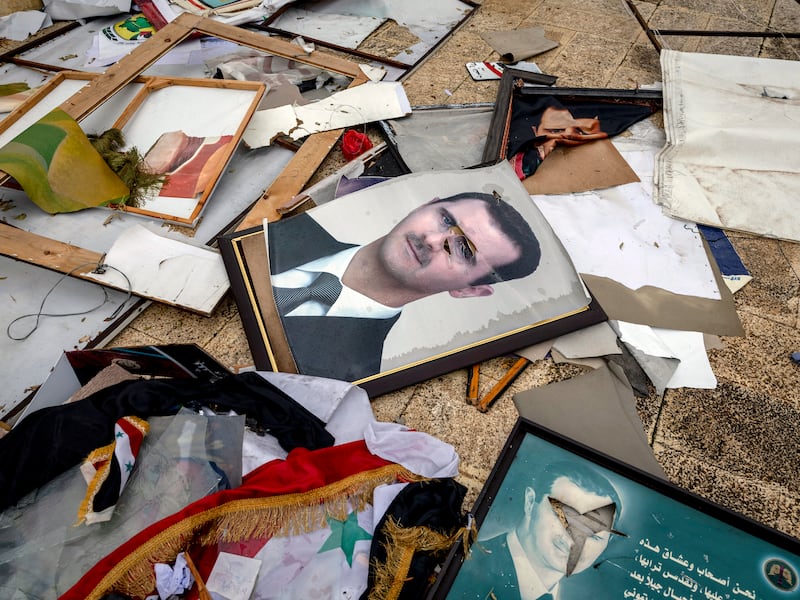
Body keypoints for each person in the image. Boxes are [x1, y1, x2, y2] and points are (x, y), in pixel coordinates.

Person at [267, 191, 542, 381]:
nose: (434, 240)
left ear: (469, 290)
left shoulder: (347, 378)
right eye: (446, 220)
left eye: (463, 250)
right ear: (425, 204)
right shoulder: (275, 221)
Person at [449, 461, 624, 600]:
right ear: (530, 502)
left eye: (594, 535)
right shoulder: (467, 573)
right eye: (565, 518)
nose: (575, 539)